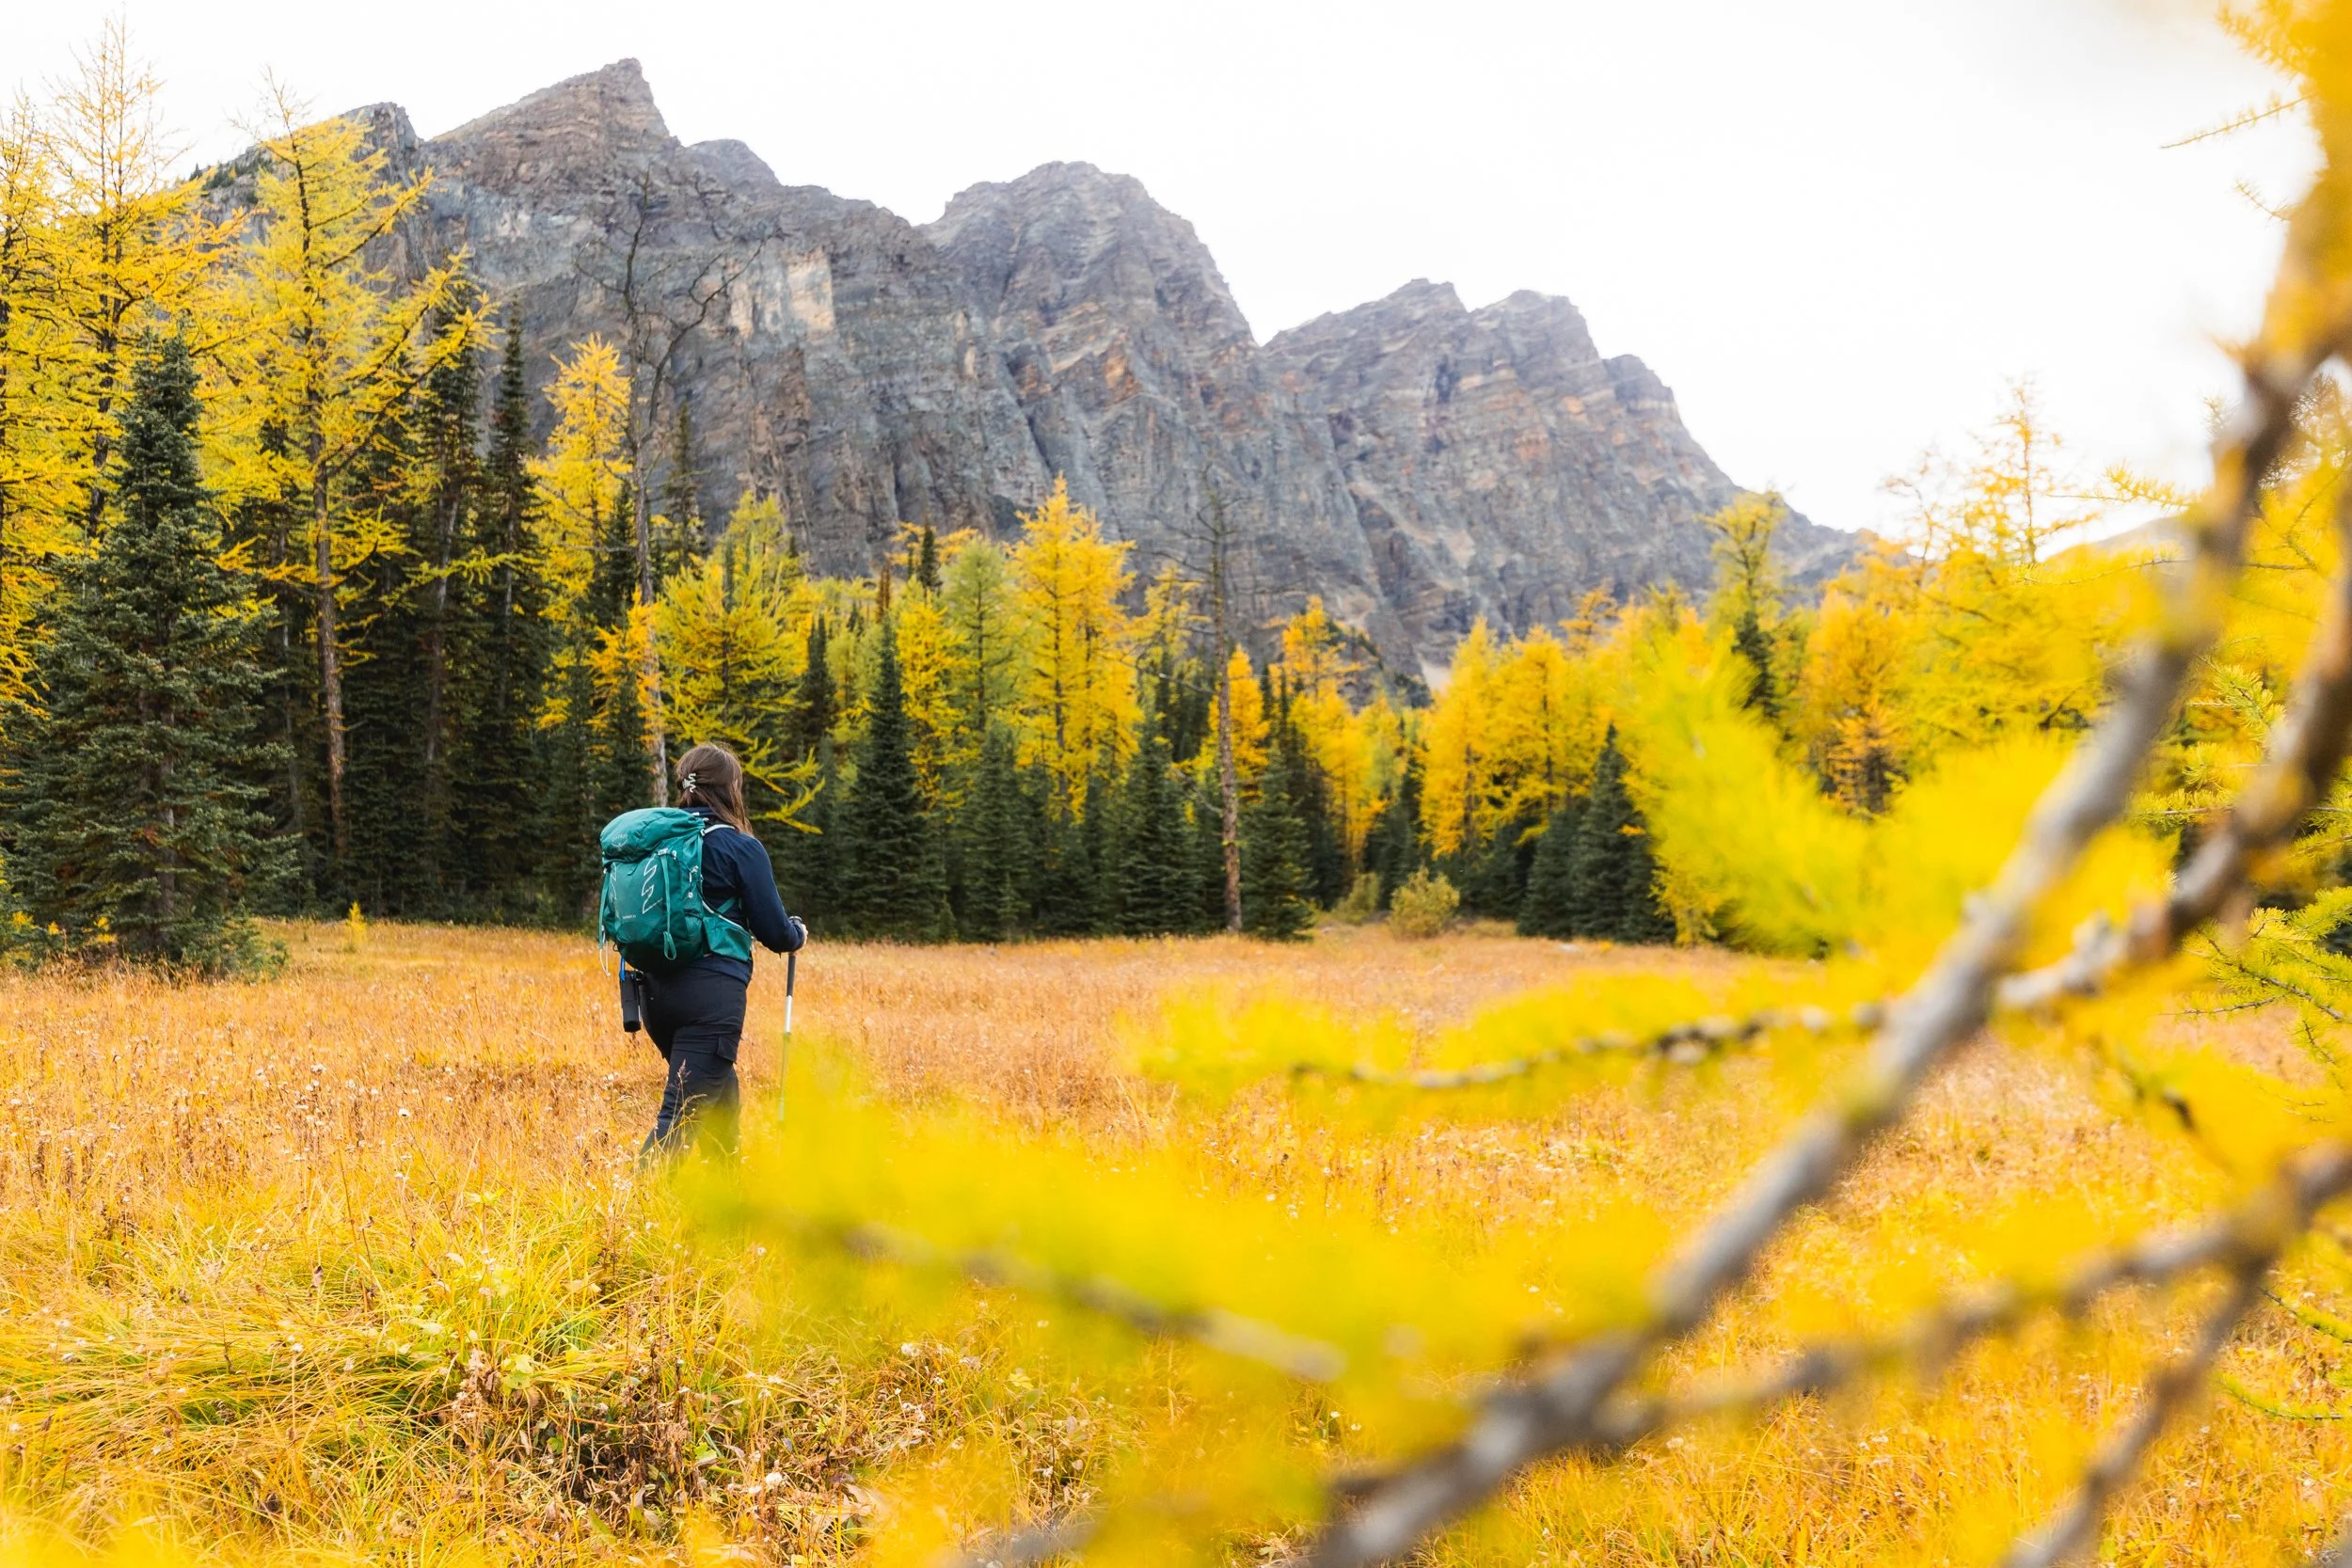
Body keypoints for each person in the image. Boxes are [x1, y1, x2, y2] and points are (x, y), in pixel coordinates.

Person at [631, 742, 805, 1157]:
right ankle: (633, 1211)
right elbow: (776, 933)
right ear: (730, 789)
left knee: (721, 1100)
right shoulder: (739, 847)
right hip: (710, 999)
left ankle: (725, 1199)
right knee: (680, 1118)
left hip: (653, 995)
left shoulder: (657, 842)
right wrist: (797, 933)